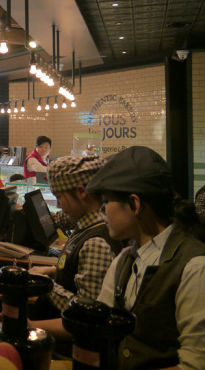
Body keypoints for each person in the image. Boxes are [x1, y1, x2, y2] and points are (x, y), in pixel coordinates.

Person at [88, 146, 205, 370]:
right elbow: (99, 322)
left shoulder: (194, 267)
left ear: (135, 204)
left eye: (107, 201)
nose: (103, 211)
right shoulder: (125, 258)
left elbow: (195, 365)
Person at [27, 155, 123, 342]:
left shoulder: (95, 243)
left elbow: (88, 316)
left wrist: (46, 284)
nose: (58, 204)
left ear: (81, 192)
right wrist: (54, 271)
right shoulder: (86, 227)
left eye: (59, 197)